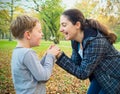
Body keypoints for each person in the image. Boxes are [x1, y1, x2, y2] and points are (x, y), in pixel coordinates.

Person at [56, 9, 120, 94]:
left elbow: (82, 73)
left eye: (64, 25)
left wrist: (60, 57)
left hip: (114, 79)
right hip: (100, 77)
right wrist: (57, 55)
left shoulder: (95, 41)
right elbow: (75, 64)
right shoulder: (75, 41)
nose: (61, 29)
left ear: (77, 25)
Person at [10, 15, 60, 94]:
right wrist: (51, 56)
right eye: (39, 31)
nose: (42, 34)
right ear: (28, 35)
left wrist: (46, 56)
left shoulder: (17, 52)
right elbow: (43, 77)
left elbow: (35, 70)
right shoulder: (28, 53)